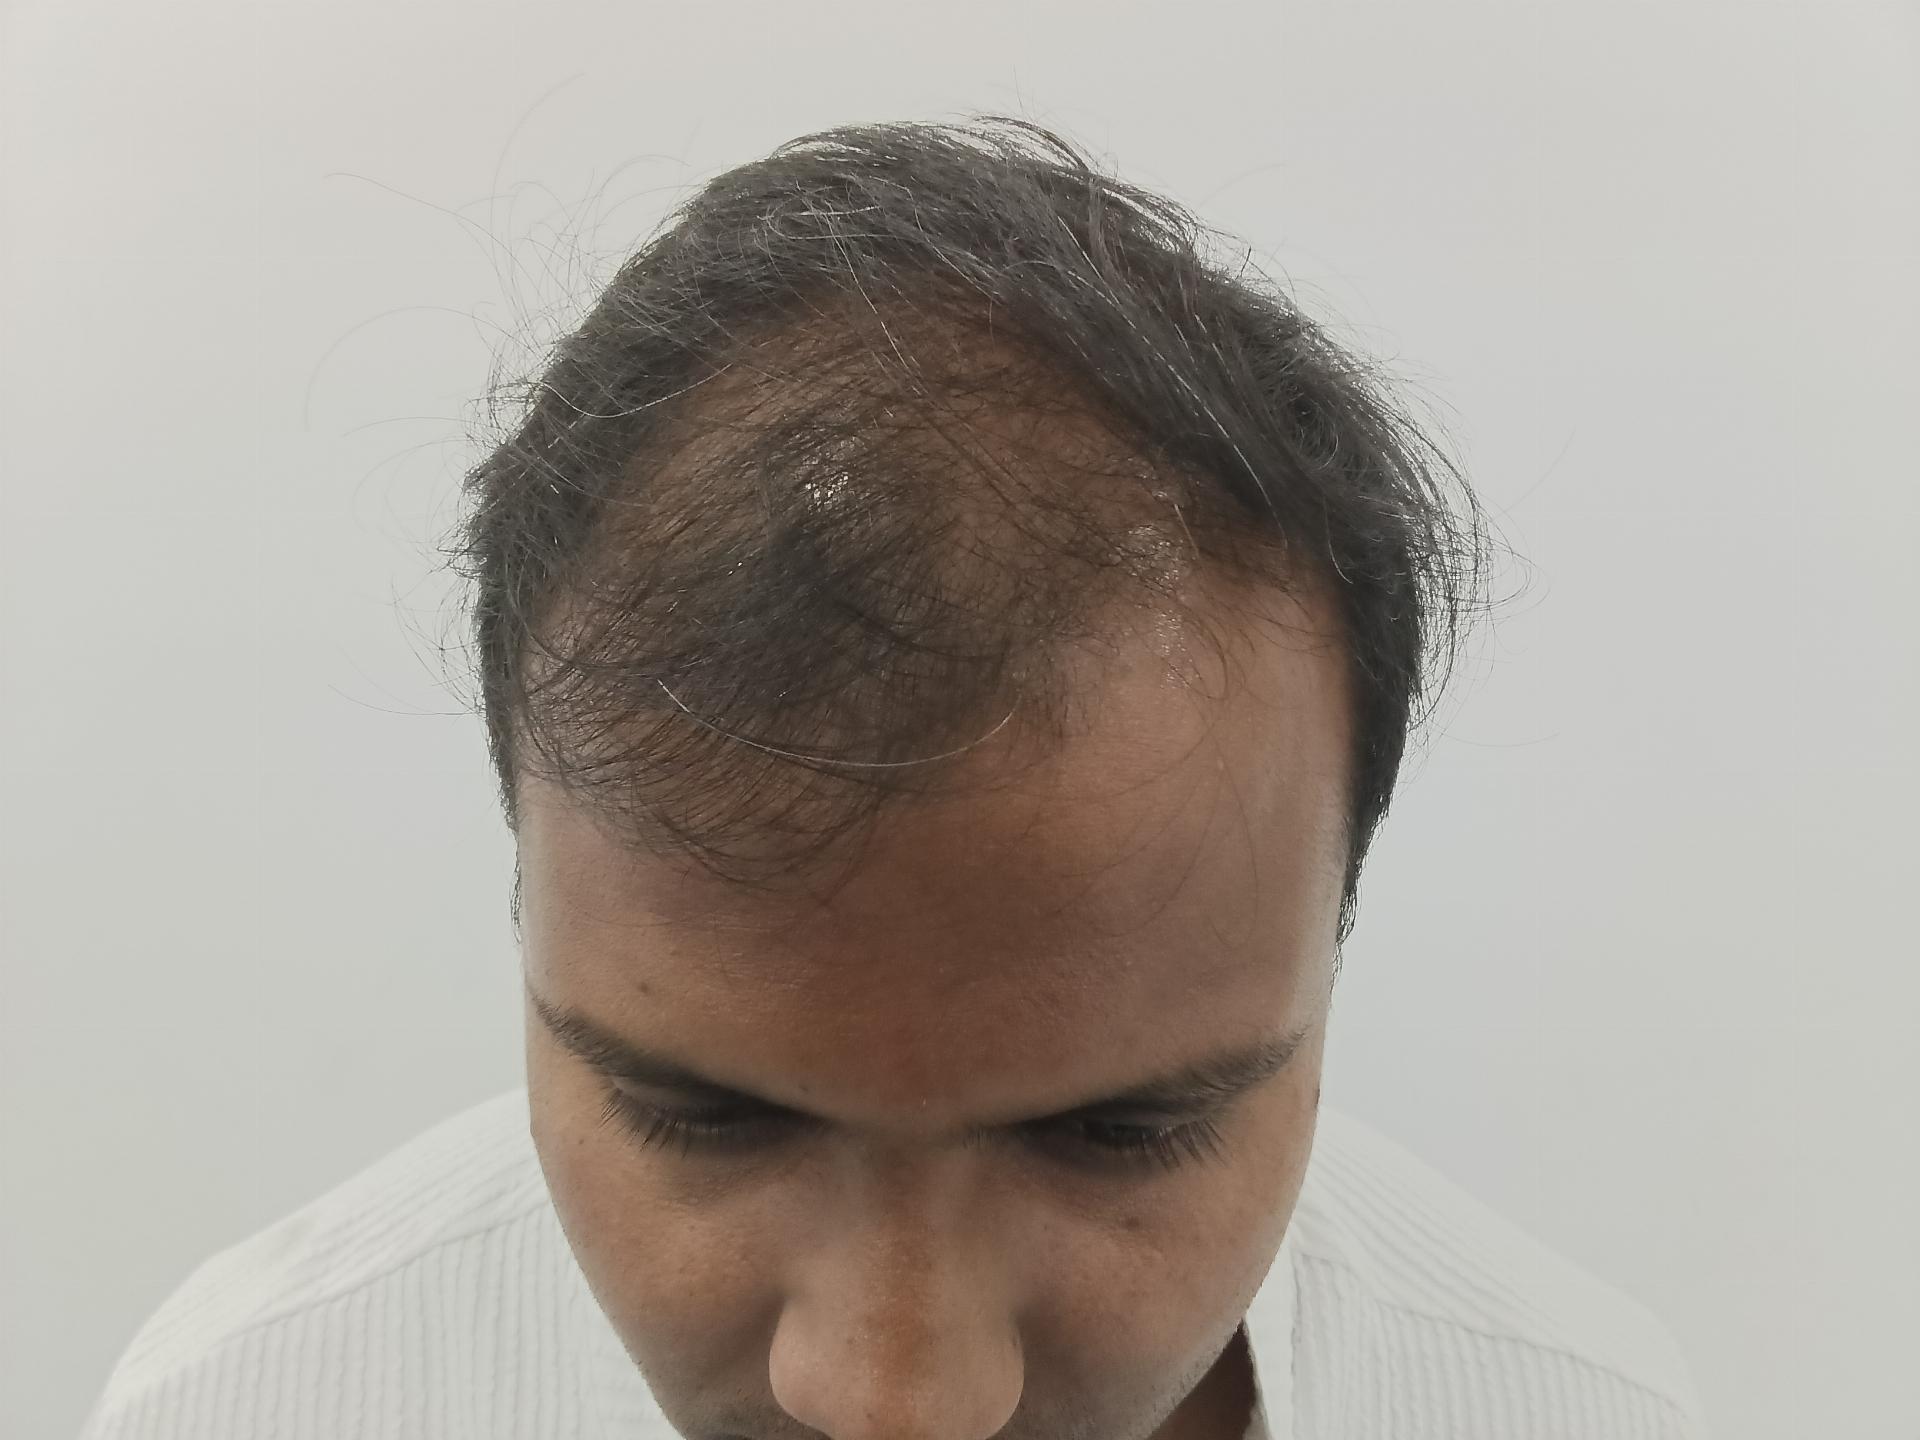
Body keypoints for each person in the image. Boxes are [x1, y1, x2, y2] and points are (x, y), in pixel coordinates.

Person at [79, 116, 1707, 1439]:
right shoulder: (251, 1405)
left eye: (1120, 1133)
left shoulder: (1576, 1411)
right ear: (525, 904)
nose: (898, 1400)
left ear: (1333, 943)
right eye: (701, 1117)